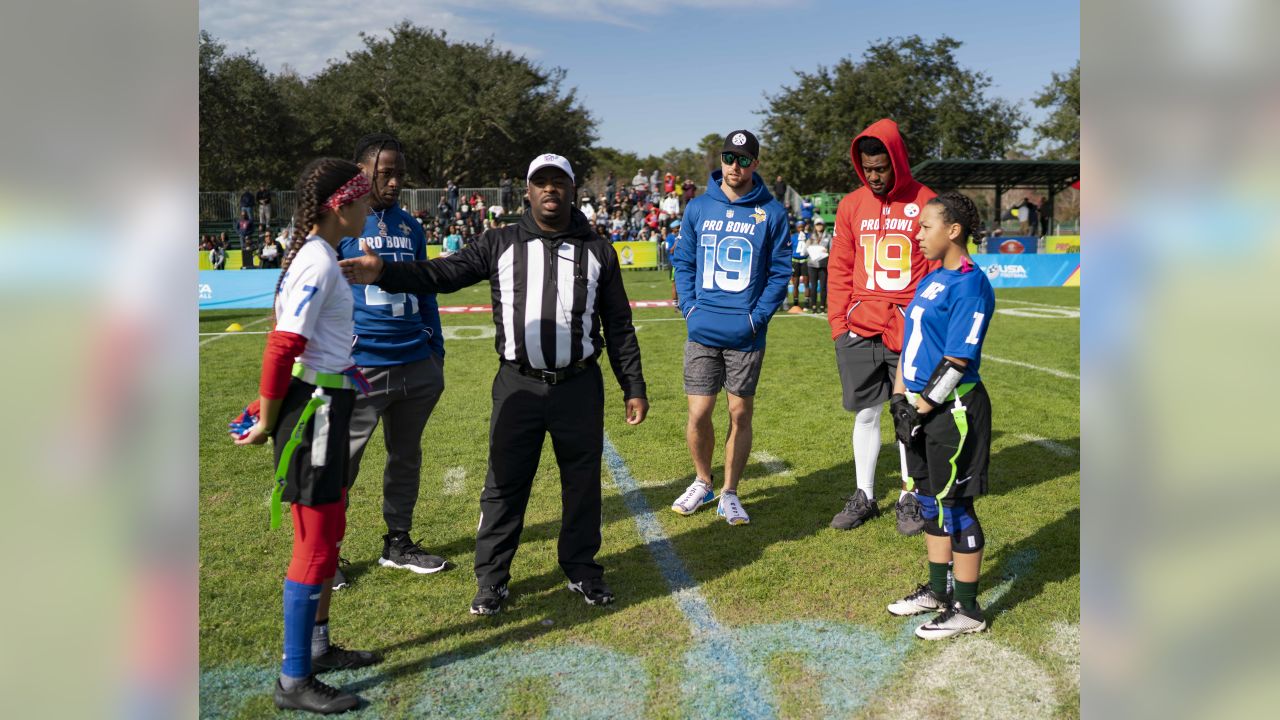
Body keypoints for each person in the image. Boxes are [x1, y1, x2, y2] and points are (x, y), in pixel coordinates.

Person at [339, 153, 648, 616]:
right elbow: (440, 274)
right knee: (504, 485)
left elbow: (619, 324)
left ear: (572, 189)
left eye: (558, 182)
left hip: (579, 386)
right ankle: (492, 581)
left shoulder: (599, 250)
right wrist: (385, 272)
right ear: (527, 190)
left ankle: (582, 569)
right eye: (540, 182)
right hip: (518, 386)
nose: (550, 190)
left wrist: (634, 385)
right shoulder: (499, 242)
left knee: (581, 484)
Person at [231, 158, 380, 714]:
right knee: (315, 543)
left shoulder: (323, 257)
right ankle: (294, 679)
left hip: (327, 403)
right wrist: (269, 418)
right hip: (314, 413)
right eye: (363, 202)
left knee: (331, 528)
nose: (370, 209)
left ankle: (316, 651)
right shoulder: (317, 262)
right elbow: (281, 345)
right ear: (340, 207)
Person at [334, 133, 449, 589]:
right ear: (362, 173)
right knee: (342, 463)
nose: (397, 180)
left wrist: (434, 350)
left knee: (406, 457)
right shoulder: (341, 223)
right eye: (386, 173)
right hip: (362, 365)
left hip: (414, 362)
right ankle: (327, 552)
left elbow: (426, 290)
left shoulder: (411, 226)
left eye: (401, 172)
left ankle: (398, 543)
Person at [885, 191, 995, 640]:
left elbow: (957, 361)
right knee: (929, 501)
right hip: (916, 406)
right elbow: (910, 345)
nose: (917, 234)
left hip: (954, 410)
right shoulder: (933, 277)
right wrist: (898, 398)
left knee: (956, 507)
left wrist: (922, 406)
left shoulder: (971, 284)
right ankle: (936, 591)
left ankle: (968, 610)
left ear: (954, 230)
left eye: (925, 226)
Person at [669, 130, 791, 525]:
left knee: (739, 413)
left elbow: (780, 271)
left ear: (755, 163)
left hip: (746, 332)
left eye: (743, 159)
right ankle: (702, 481)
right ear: (720, 159)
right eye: (728, 157)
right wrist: (688, 308)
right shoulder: (698, 207)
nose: (734, 166)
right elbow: (683, 261)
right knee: (699, 411)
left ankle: (730, 492)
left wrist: (757, 317)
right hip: (702, 328)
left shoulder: (771, 212)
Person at [827, 118, 938, 534]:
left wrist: (925, 326)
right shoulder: (851, 205)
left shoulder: (927, 201)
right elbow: (839, 268)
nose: (873, 176)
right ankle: (865, 495)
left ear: (898, 161)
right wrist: (839, 325)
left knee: (906, 413)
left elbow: (934, 269)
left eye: (881, 168)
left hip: (907, 326)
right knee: (865, 414)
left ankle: (910, 496)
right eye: (867, 169)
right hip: (860, 327)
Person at [806, 216, 830, 312]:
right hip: (812, 264)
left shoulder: (828, 236)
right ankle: (814, 306)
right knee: (814, 286)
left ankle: (823, 306)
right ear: (814, 226)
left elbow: (832, 249)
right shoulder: (811, 237)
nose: (819, 226)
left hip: (823, 264)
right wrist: (810, 248)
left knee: (823, 286)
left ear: (823, 225)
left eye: (820, 224)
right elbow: (805, 250)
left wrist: (827, 250)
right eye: (817, 225)